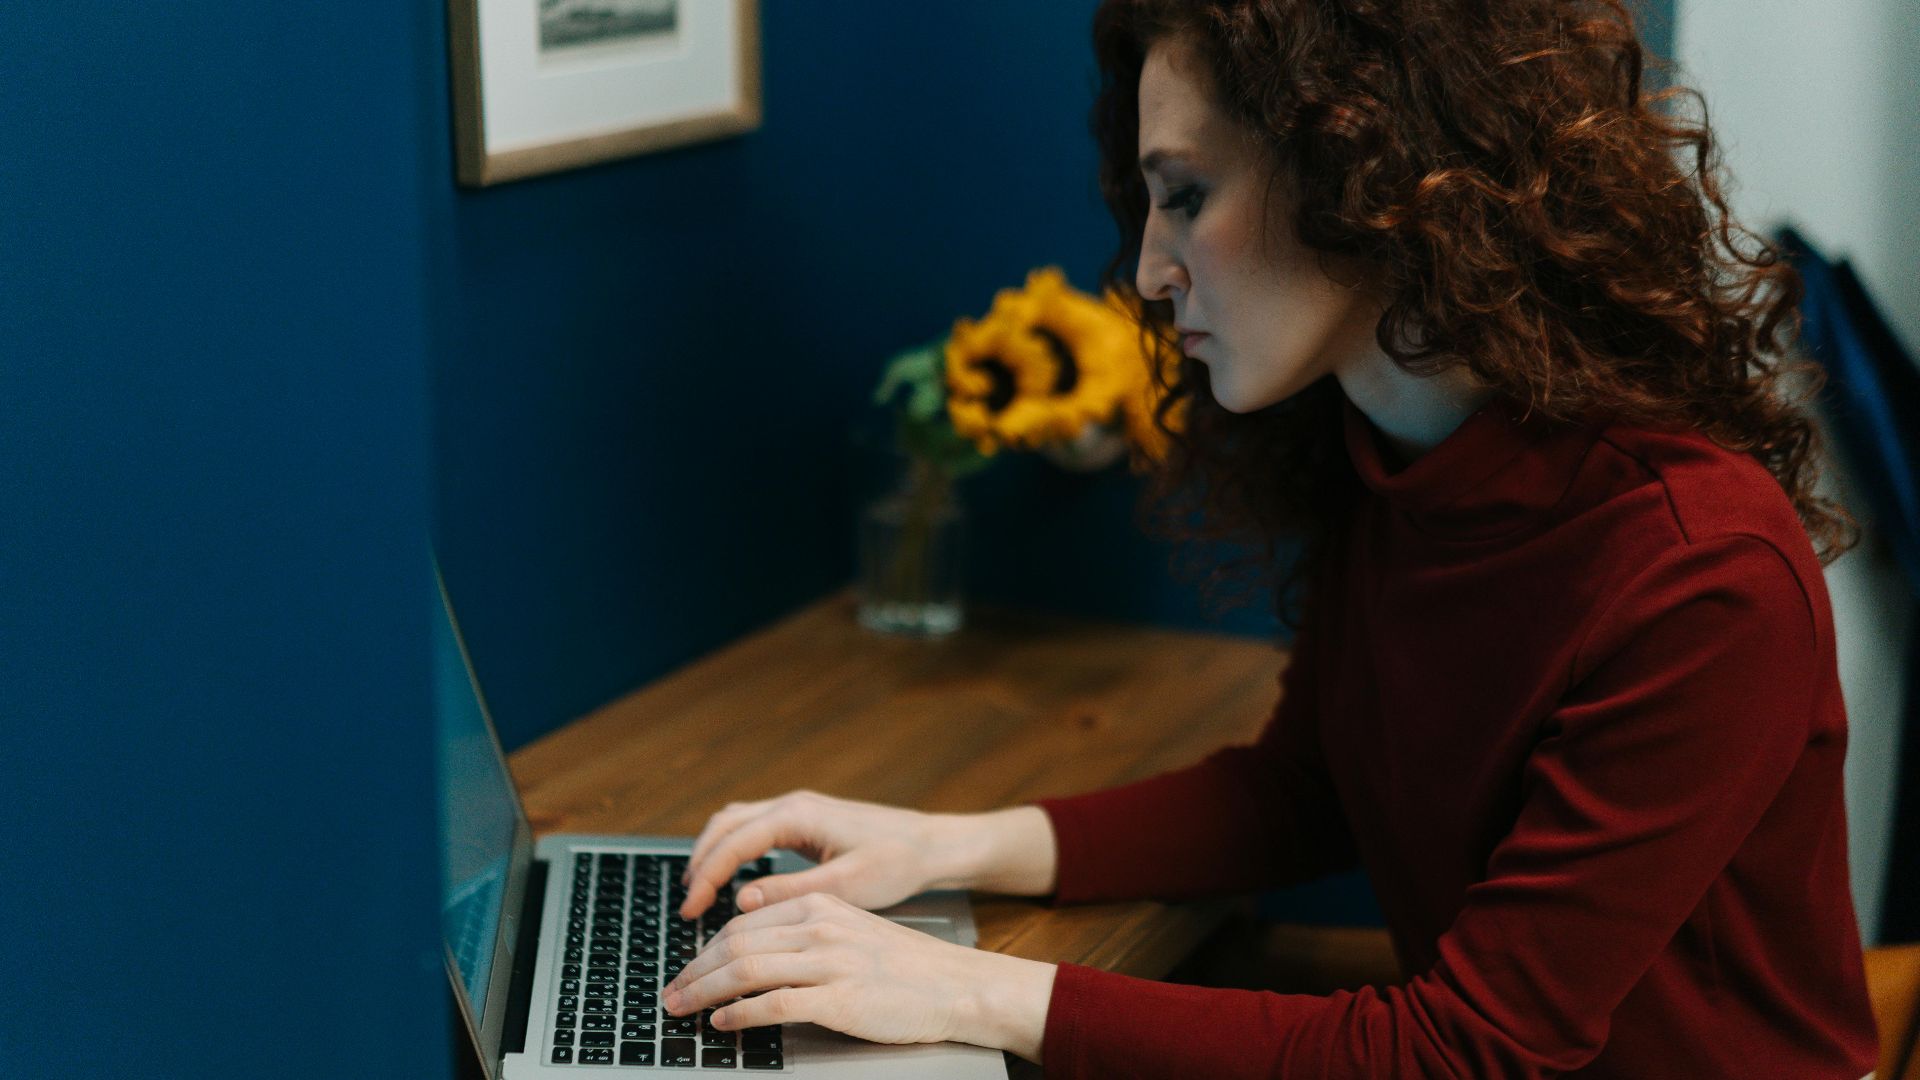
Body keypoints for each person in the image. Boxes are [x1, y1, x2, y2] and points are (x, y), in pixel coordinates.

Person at [656, 1, 1884, 1076]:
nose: (1146, 271)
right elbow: (1305, 794)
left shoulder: (1702, 574)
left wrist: (965, 988)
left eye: (1186, 196)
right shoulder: (1395, 459)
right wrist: (934, 848)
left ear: (1364, 162)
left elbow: (1467, 1049)